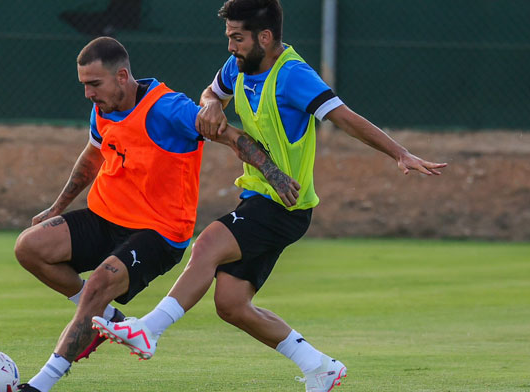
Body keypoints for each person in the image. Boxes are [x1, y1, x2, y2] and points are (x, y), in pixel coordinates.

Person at [91, 1, 448, 391]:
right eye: (228, 37)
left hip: (284, 204)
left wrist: (400, 153)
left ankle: (149, 330)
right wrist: (211, 104)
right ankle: (322, 367)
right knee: (231, 304)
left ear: (264, 37)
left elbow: (345, 118)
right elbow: (212, 92)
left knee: (208, 242)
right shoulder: (238, 66)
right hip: (258, 198)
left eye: (237, 38)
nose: (230, 46)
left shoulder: (294, 75)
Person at [13, 36, 300, 392]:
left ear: (122, 76)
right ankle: (104, 317)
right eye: (84, 85)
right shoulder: (103, 106)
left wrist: (273, 174)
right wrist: (57, 208)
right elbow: (93, 155)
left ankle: (40, 384)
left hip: (158, 233)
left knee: (98, 287)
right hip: (105, 217)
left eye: (94, 84)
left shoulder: (169, 109)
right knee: (29, 247)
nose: (88, 93)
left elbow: (229, 135)